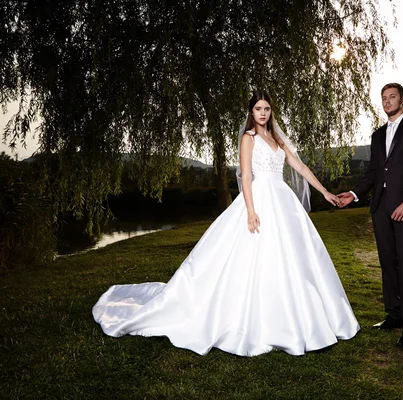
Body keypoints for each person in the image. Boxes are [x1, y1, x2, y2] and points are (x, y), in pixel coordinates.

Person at [92, 91, 360, 357]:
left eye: (267, 108)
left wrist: (324, 192)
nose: (263, 113)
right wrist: (251, 210)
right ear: (251, 112)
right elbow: (244, 177)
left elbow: (300, 167)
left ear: (271, 111)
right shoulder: (248, 138)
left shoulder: (277, 138)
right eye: (258, 109)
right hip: (259, 198)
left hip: (282, 200)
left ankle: (297, 316)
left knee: (294, 257)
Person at [338, 83, 403, 347]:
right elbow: (373, 174)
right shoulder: (378, 134)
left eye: (392, 97)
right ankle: (394, 315)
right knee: (387, 262)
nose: (387, 101)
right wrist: (354, 195)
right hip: (380, 207)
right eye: (384, 98)